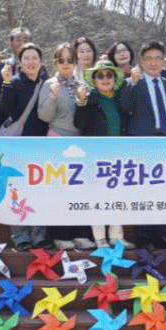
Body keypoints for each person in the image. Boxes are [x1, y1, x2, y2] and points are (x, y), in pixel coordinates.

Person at [119, 41, 166, 248]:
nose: (153, 63)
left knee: (164, 190)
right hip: (141, 144)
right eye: (148, 59)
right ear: (141, 62)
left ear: (164, 62)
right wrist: (132, 84)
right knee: (143, 192)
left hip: (165, 143)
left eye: (157, 58)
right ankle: (144, 237)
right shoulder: (133, 82)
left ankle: (163, 236)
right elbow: (124, 107)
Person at [38, 43, 95, 250]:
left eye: (70, 60)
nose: (66, 64)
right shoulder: (49, 84)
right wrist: (53, 98)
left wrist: (83, 101)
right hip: (57, 139)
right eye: (61, 60)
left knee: (80, 191)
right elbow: (43, 116)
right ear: (55, 63)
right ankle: (60, 236)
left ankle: (81, 234)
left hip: (79, 142)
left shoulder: (82, 84)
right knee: (60, 191)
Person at [75, 59, 135, 249]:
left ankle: (116, 237)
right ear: (94, 80)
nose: (105, 78)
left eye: (109, 75)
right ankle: (99, 237)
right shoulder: (90, 99)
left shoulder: (120, 99)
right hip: (96, 155)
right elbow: (79, 124)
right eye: (100, 75)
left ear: (115, 79)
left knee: (117, 196)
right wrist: (81, 103)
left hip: (119, 154)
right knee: (98, 196)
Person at [0, 43, 51, 251]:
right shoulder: (13, 82)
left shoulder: (47, 83)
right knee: (17, 190)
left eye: (35, 58)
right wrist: (5, 83)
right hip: (18, 144)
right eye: (26, 58)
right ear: (19, 62)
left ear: (41, 61)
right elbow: (4, 109)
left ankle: (38, 235)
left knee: (40, 190)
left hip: (42, 143)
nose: (31, 62)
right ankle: (20, 235)